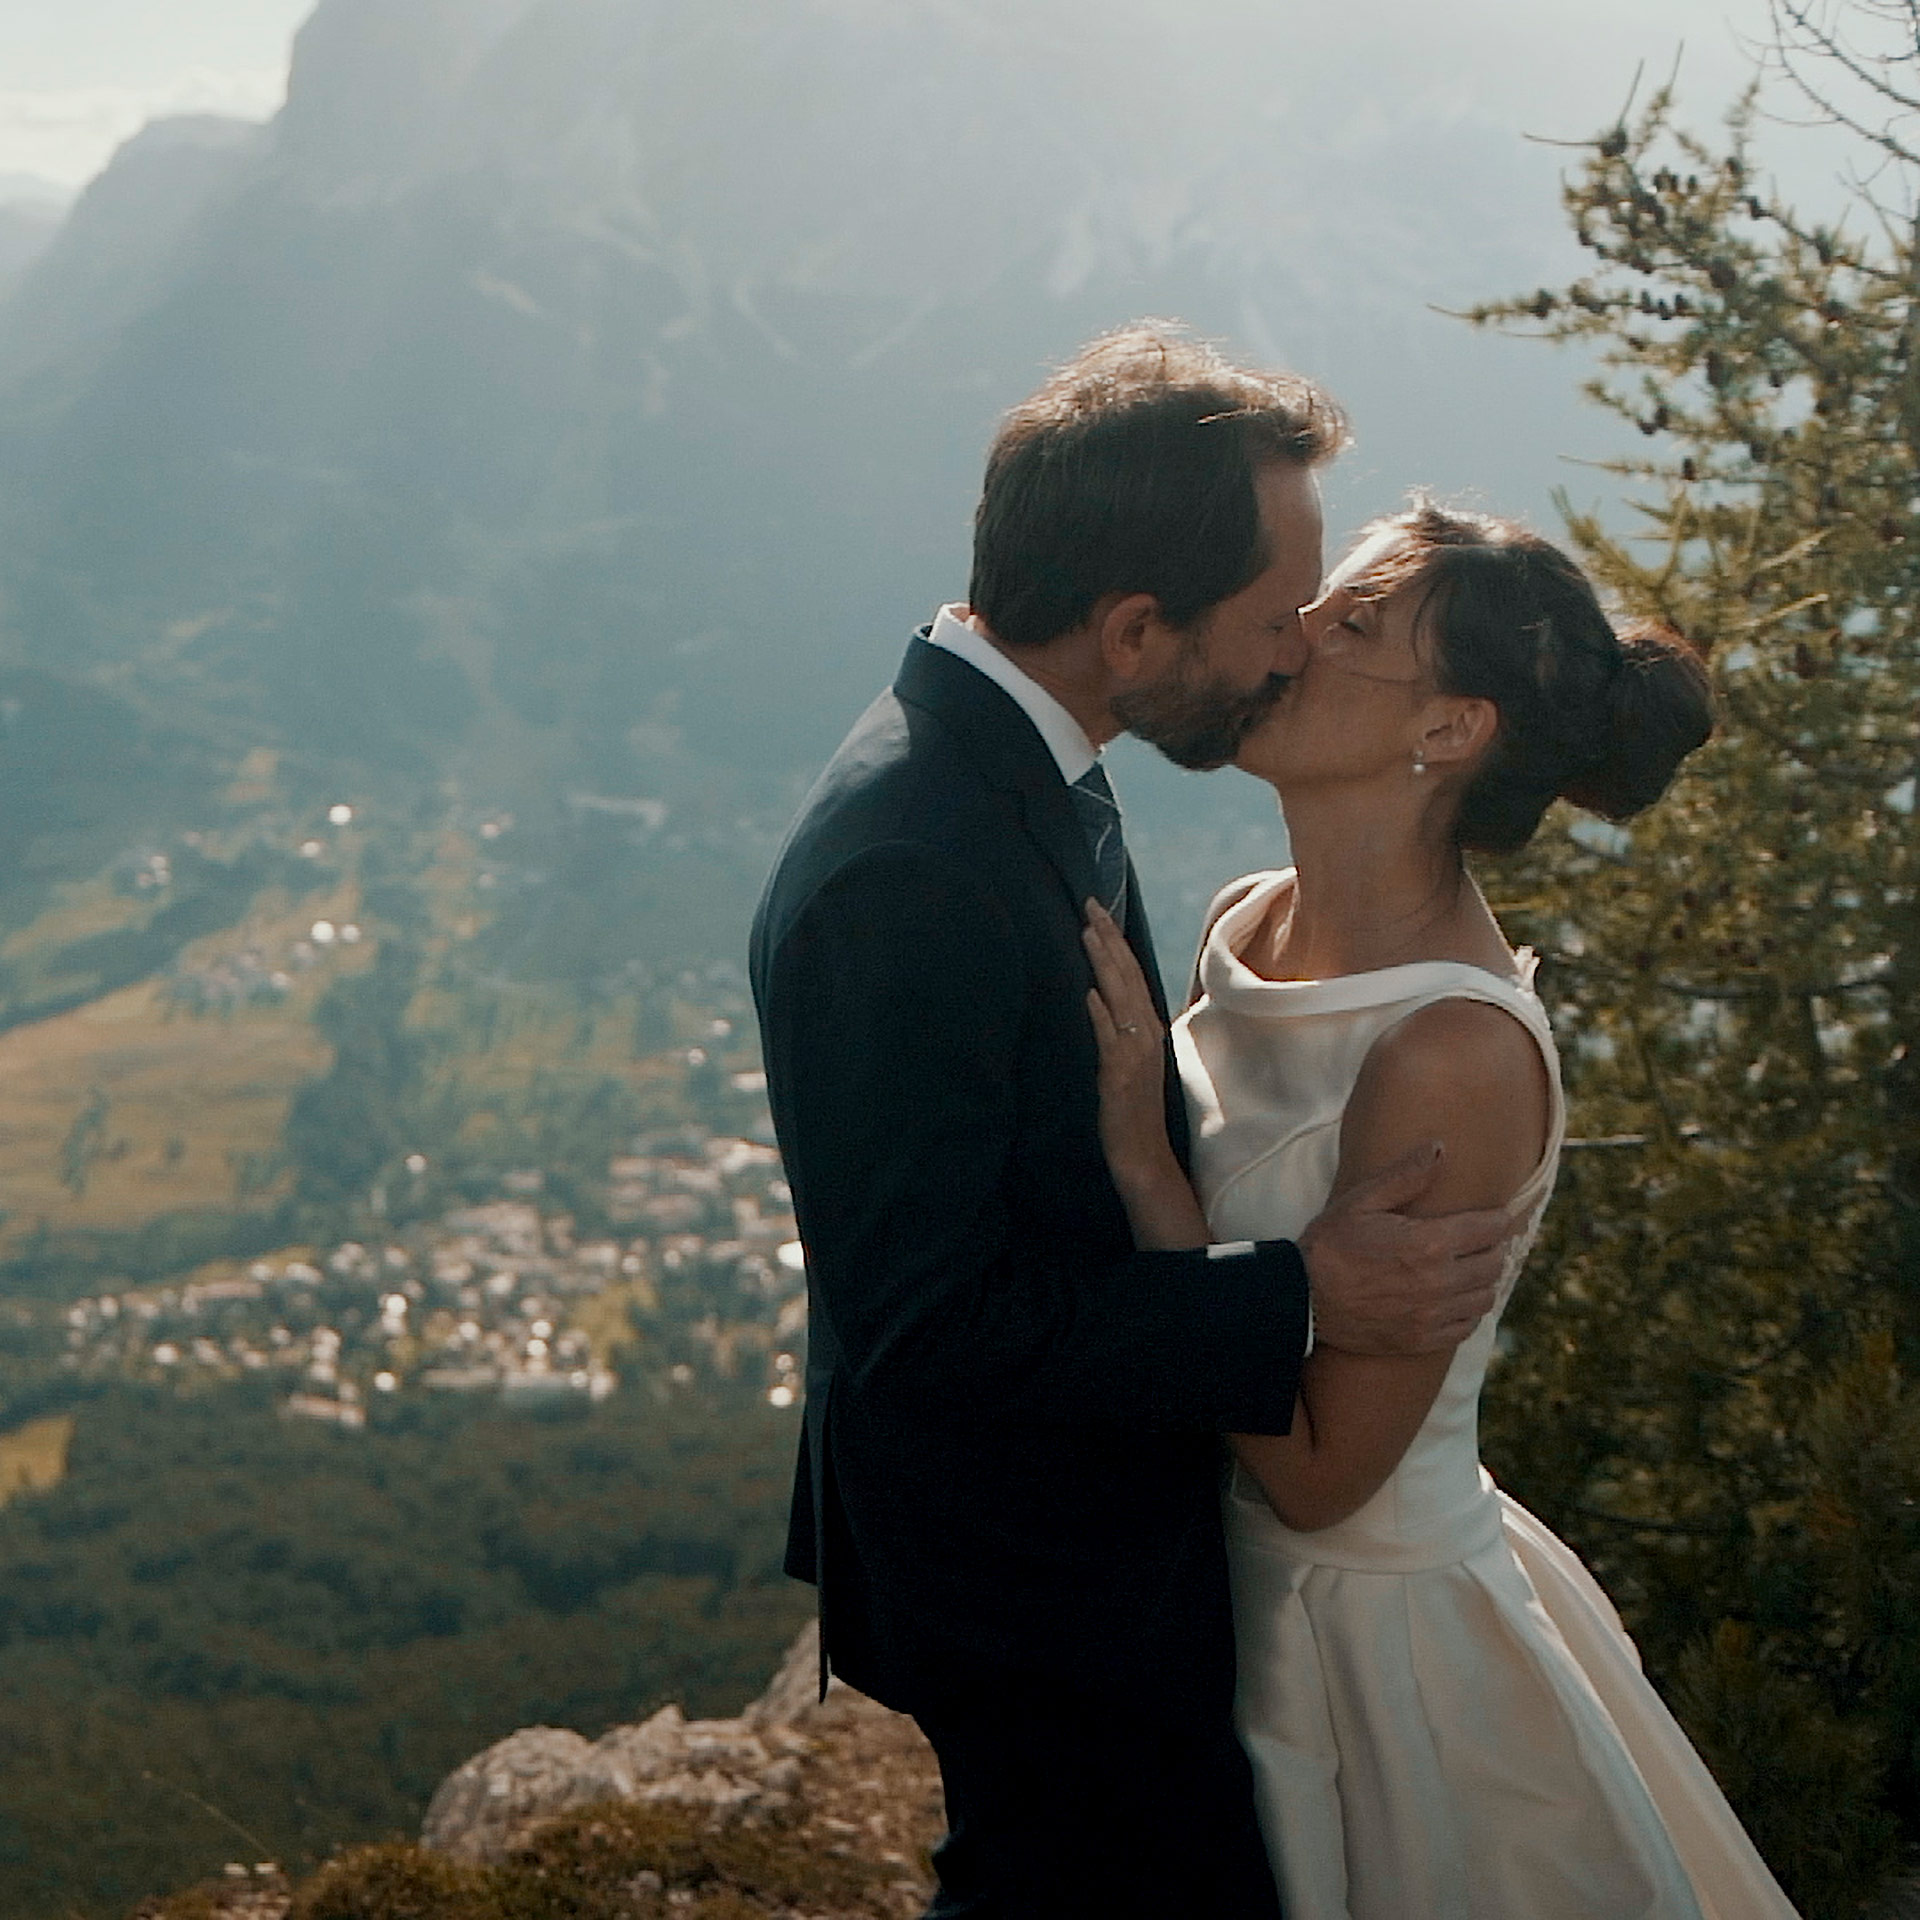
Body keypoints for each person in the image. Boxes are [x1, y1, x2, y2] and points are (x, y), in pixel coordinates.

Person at [748, 330, 1518, 1919]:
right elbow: (933, 1327)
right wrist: (1300, 1294)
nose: (1295, 652)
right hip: (1028, 1581)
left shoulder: (1014, 771)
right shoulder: (916, 864)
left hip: (1099, 1552)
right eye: (1271, 618)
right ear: (1133, 627)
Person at [1083, 499, 1801, 1918]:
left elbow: (1320, 1476)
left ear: (1451, 733)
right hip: (1203, 1599)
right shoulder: (1249, 916)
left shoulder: (1451, 1051)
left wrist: (1145, 1175)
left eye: (1354, 627)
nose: (1294, 638)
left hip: (1367, 1656)